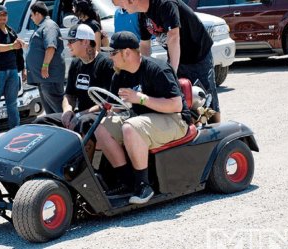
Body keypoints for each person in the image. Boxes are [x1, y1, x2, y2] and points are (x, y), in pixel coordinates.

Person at [96, 31, 191, 204]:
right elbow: (116, 106)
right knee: (101, 128)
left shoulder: (157, 68)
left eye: (113, 52)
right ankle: (126, 181)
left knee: (130, 127)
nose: (110, 57)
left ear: (126, 53)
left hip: (175, 119)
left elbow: (176, 105)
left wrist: (140, 98)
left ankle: (143, 185)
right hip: (144, 119)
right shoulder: (119, 74)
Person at [116, 0, 221, 123]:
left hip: (197, 55)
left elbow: (173, 36)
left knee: (205, 99)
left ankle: (217, 131)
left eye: (121, 3)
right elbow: (145, 45)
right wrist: (141, 72)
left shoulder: (165, 4)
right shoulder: (142, 15)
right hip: (176, 55)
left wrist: (172, 72)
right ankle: (192, 130)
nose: (120, 8)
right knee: (183, 98)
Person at [33, 24, 114, 160]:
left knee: (83, 122)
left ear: (86, 42)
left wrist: (79, 115)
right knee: (41, 121)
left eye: (71, 41)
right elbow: (69, 94)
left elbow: (107, 103)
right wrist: (68, 110)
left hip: (98, 116)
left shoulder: (105, 64)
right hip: (79, 115)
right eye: (67, 41)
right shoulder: (76, 64)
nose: (68, 45)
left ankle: (82, 170)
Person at [0, 6, 25, 129]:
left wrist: (23, 69)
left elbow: (19, 52)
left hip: (12, 71)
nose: (2, 17)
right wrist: (12, 46)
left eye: (4, 15)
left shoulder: (11, 30)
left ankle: (15, 130)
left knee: (12, 104)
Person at [26, 1, 65, 115]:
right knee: (51, 113)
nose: (32, 18)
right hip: (44, 79)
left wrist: (45, 66)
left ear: (37, 14)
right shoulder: (42, 27)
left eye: (32, 15)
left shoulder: (49, 26)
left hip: (50, 77)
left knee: (59, 110)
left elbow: (51, 47)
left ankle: (69, 131)